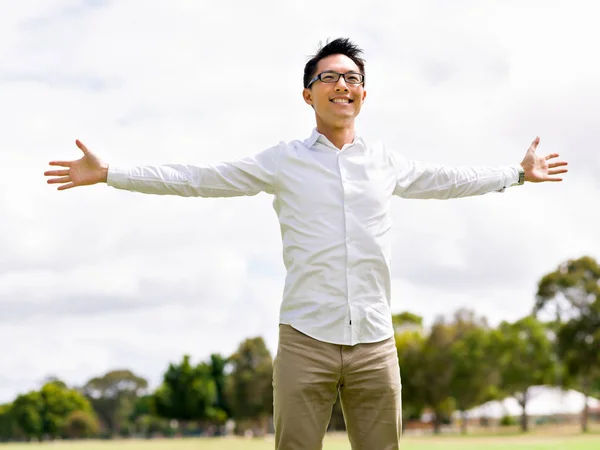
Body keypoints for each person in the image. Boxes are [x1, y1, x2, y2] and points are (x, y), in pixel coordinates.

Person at [44, 38, 568, 449]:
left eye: (353, 78)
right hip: (305, 340)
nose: (343, 84)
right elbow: (198, 176)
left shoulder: (386, 162)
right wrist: (111, 172)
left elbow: (450, 178)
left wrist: (516, 174)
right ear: (308, 94)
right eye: (330, 77)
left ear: (364, 94)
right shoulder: (284, 160)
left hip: (374, 342)